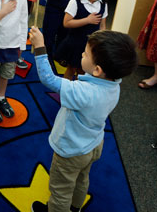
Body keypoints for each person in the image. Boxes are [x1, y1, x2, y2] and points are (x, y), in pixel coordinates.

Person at [28, 27, 138, 212]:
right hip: (93, 144)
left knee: (60, 190)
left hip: (71, 150)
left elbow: (48, 79)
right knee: (81, 179)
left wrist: (40, 47)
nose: (81, 54)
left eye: (85, 54)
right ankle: (75, 207)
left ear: (97, 70)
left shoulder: (84, 92)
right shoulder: (114, 84)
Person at [55, 0, 110, 81]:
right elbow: (66, 23)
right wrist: (87, 20)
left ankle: (79, 92)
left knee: (84, 72)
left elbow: (102, 25)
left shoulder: (103, 4)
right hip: (76, 44)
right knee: (71, 69)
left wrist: (102, 41)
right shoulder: (75, 2)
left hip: (91, 46)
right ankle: (66, 90)